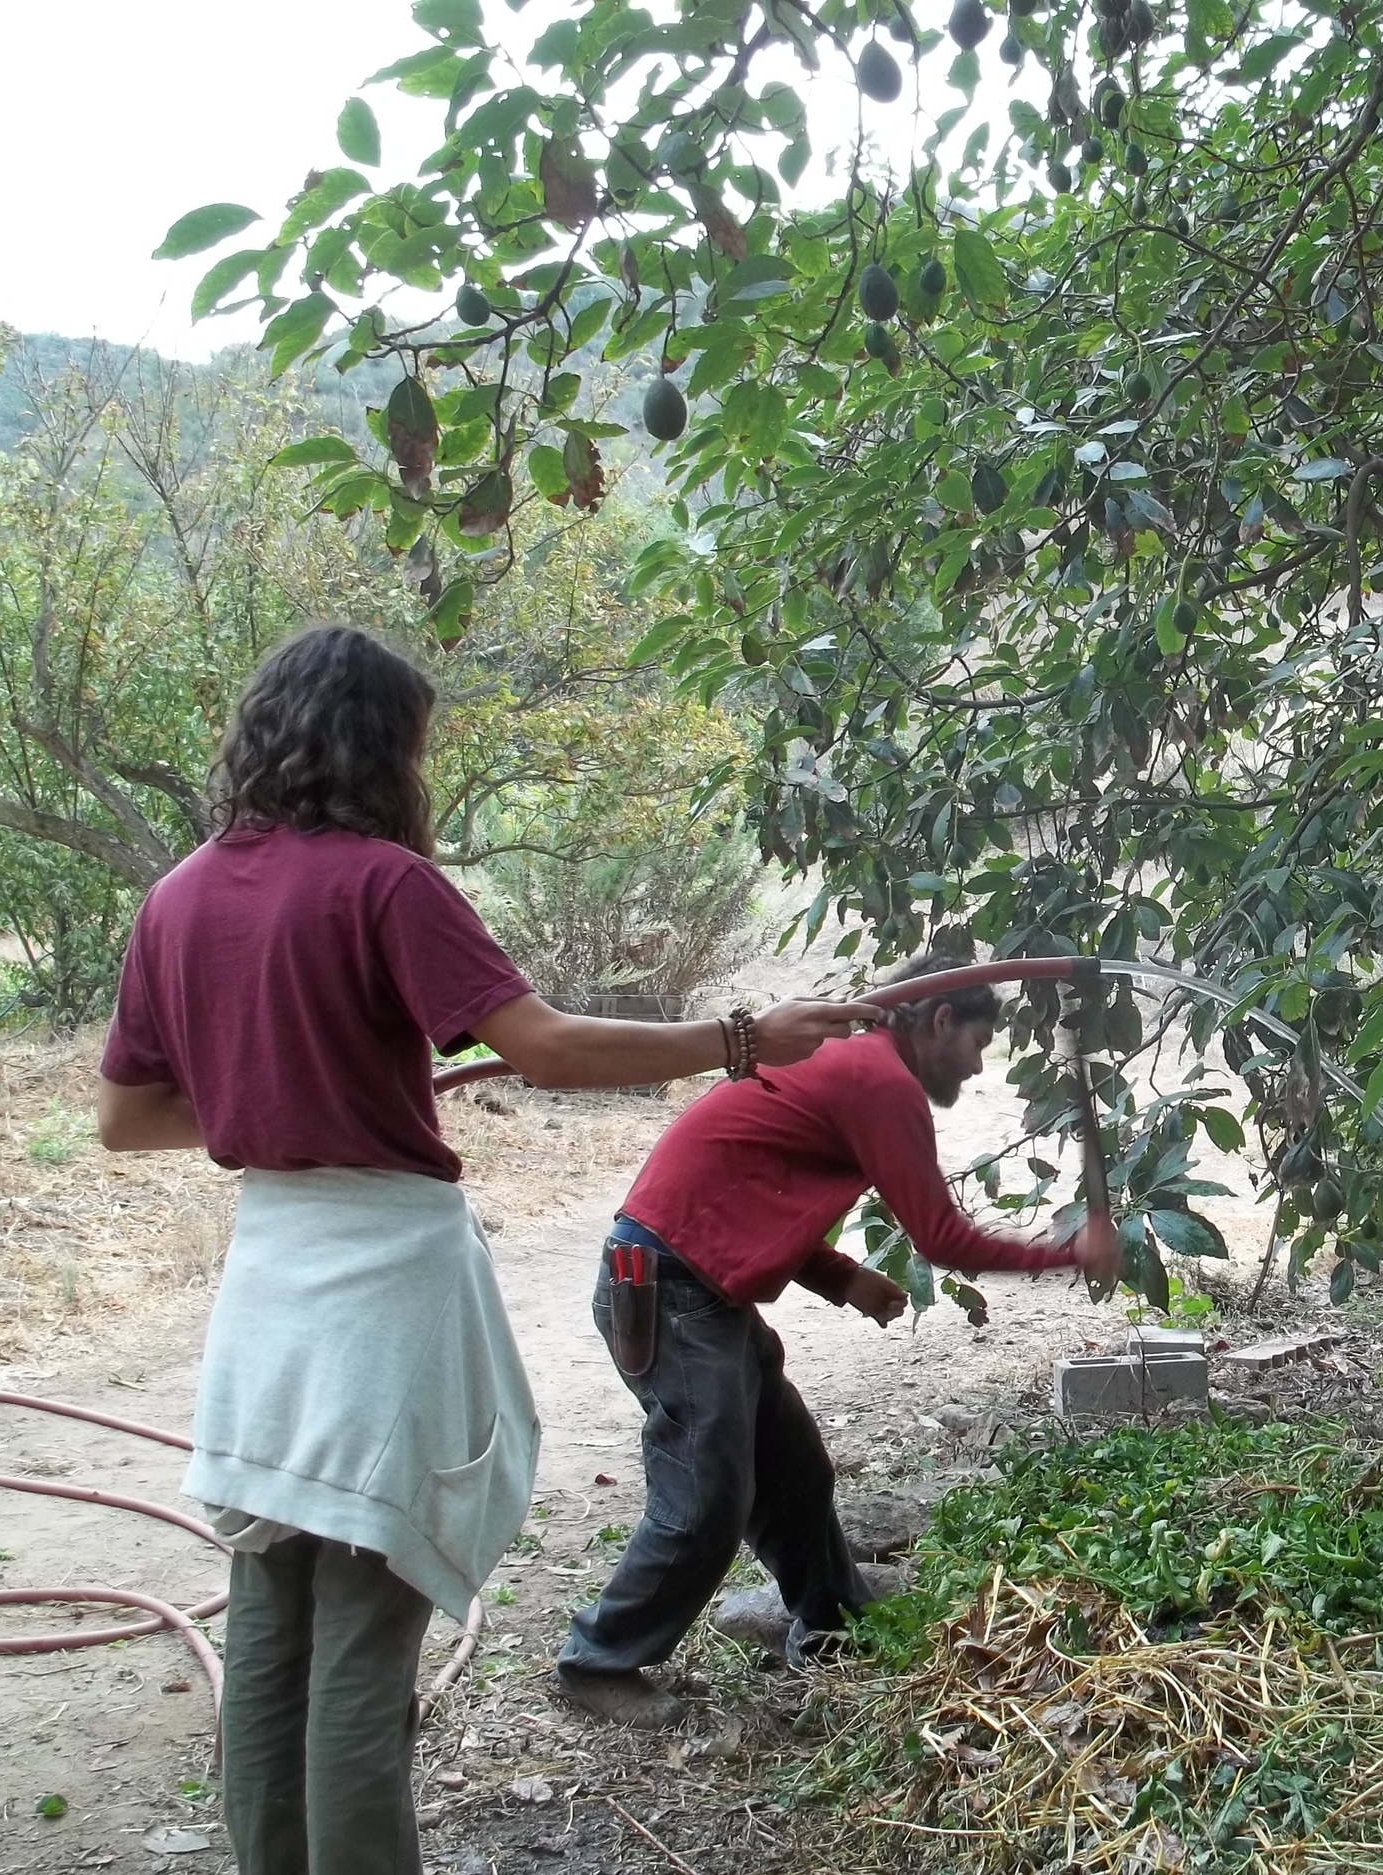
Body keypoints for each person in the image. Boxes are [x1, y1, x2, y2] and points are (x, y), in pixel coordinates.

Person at [95, 624, 873, 1875]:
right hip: (378, 1294)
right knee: (362, 1624)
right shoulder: (383, 882)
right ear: (382, 748)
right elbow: (550, 1047)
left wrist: (284, 1100)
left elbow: (127, 1118)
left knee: (270, 1618)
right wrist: (741, 1035)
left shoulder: (178, 894)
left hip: (266, 1289)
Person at [555, 953, 1123, 1729]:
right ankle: (599, 1659)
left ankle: (832, 1622)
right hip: (669, 1288)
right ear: (940, 1019)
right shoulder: (878, 1079)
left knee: (792, 1468)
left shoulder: (846, 1066)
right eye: (979, 1040)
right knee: (708, 1496)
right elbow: (944, 1238)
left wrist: (841, 1277)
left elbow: (749, 1189)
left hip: (699, 1288)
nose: (979, 1062)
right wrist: (1071, 1252)